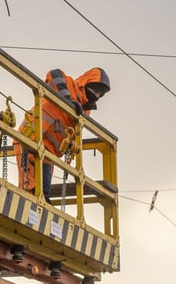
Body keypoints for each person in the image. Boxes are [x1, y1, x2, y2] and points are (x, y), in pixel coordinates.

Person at [14, 67, 110, 202]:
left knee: (44, 195)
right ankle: (27, 216)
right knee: (30, 190)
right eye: (96, 89)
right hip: (28, 140)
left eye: (101, 94)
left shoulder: (85, 110)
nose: (97, 95)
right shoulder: (70, 84)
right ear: (87, 82)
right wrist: (67, 99)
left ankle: (38, 218)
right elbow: (53, 74)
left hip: (48, 152)